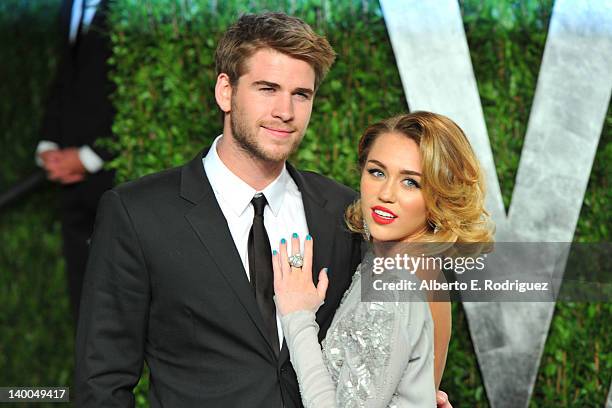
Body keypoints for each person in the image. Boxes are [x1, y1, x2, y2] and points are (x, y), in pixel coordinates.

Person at [75, 13, 453, 407]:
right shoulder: (139, 213)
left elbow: (386, 335)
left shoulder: (346, 213)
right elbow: (102, 381)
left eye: (301, 94)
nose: (285, 111)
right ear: (226, 91)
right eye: (267, 88)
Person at [273, 112, 495, 407]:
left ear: (441, 195)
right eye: (377, 172)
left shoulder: (394, 286)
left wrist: (298, 318)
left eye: (411, 183)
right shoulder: (421, 270)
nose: (386, 194)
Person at [36, 0, 115, 323]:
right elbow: (66, 78)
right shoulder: (69, 7)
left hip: (112, 178)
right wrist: (48, 142)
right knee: (82, 300)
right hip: (70, 185)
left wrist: (89, 158)